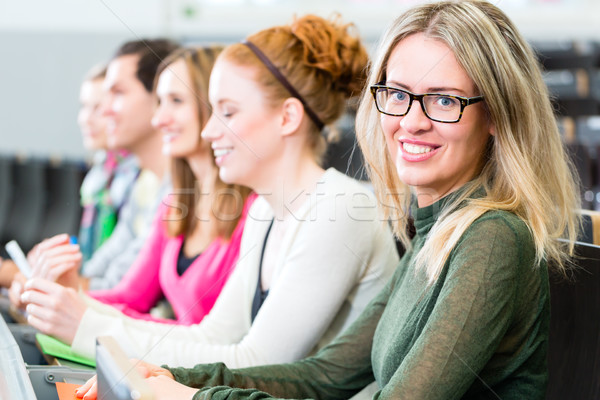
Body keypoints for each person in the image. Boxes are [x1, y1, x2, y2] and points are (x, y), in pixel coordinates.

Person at [77, 1, 581, 399]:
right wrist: (161, 374)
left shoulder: (491, 237)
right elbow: (324, 376)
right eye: (397, 94)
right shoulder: (435, 230)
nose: (411, 121)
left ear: (495, 117)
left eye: (445, 100)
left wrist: (188, 397)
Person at [36, 14, 398, 374]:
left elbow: (258, 364)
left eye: (227, 112)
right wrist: (79, 310)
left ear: (287, 117)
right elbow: (212, 337)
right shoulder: (264, 214)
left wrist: (88, 327)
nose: (209, 131)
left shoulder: (342, 208)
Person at [18, 46, 254, 340]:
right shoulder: (176, 203)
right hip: (174, 366)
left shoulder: (252, 209)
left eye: (176, 101)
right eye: (159, 102)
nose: (159, 119)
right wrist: (62, 297)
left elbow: (214, 340)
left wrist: (77, 308)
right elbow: (130, 296)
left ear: (216, 107)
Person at [14, 39, 180, 297]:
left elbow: (129, 292)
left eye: (118, 93)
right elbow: (103, 271)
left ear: (159, 98)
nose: (104, 110)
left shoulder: (177, 190)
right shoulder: (145, 183)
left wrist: (50, 290)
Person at [76, 64, 139, 263]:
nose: (85, 119)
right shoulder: (101, 170)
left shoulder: (138, 173)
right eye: (84, 107)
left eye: (98, 109)